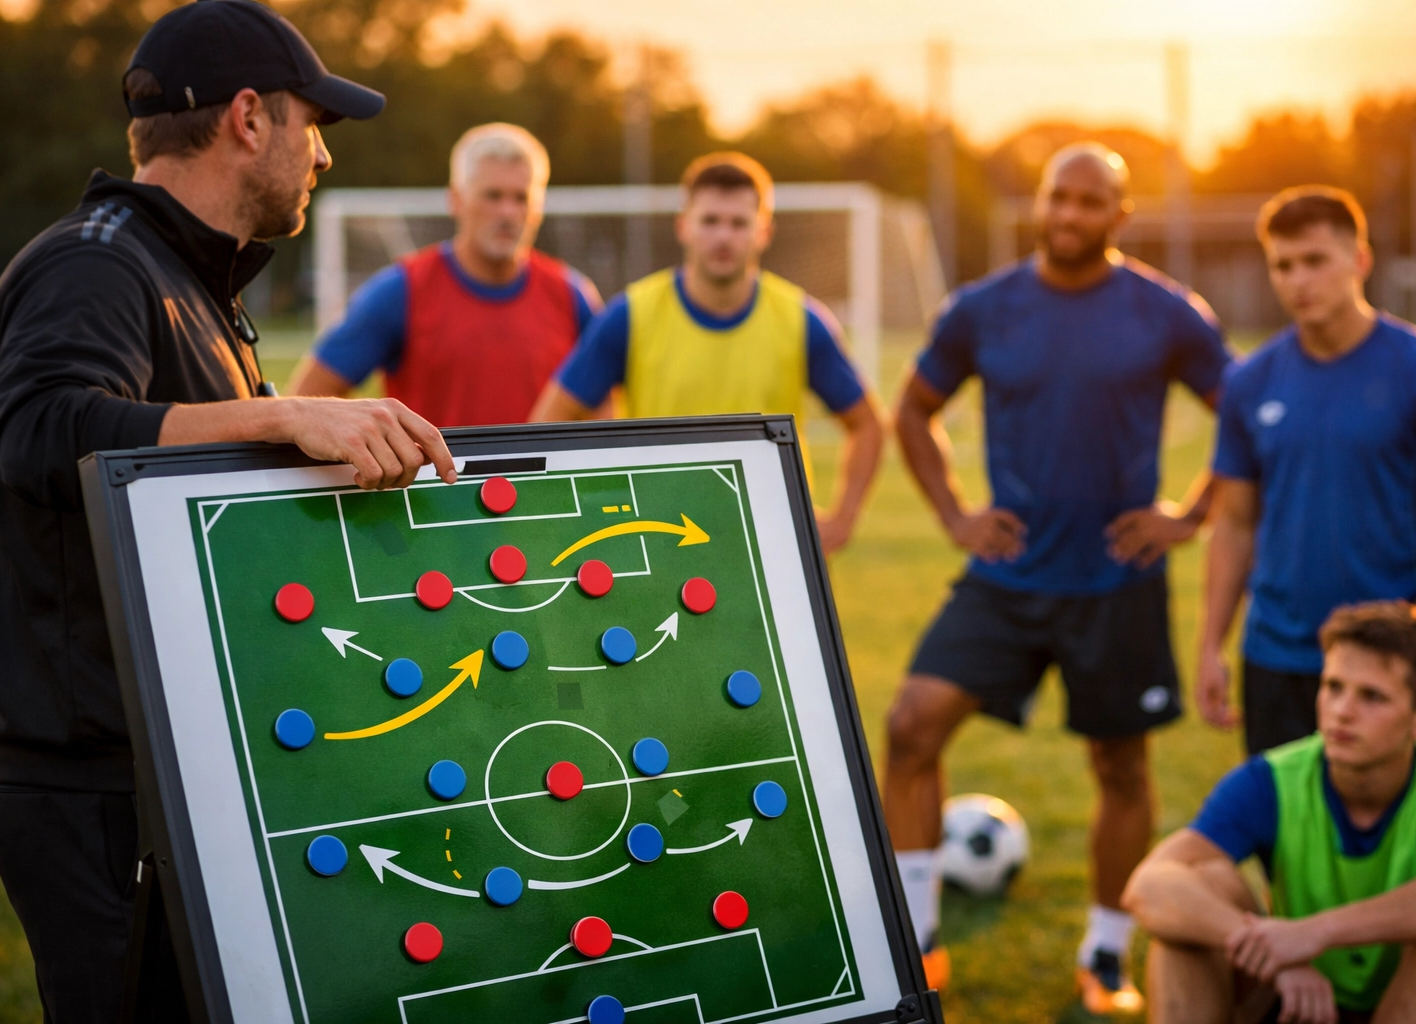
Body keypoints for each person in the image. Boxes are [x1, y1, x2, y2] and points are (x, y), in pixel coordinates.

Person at [0, 3, 458, 1019]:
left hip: (173, 771)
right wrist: (284, 415)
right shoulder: (96, 261)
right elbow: (45, 428)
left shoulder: (187, 278)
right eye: (312, 124)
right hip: (98, 789)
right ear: (248, 117)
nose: (322, 154)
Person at [882, 142, 1232, 1009]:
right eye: (1057, 197)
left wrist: (1189, 515)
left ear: (1119, 215)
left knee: (1121, 767)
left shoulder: (1167, 314)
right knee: (911, 725)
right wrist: (955, 513)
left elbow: (1245, 417)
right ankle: (915, 940)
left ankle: (1105, 955)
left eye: (1089, 201)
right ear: (1039, 203)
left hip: (1116, 580)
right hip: (1008, 575)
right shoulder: (983, 309)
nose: (1069, 214)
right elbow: (914, 411)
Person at [1199, 186, 1416, 758]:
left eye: (1315, 261)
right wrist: (1211, 644)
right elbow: (1233, 524)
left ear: (1359, 260)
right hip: (1280, 659)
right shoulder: (1250, 382)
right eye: (1282, 265)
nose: (1298, 281)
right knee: (1289, 820)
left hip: (1397, 664)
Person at [1125, 601, 1416, 1024]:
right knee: (1199, 889)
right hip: (1296, 997)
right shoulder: (1272, 779)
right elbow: (1149, 884)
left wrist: (1315, 933)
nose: (1342, 711)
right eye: (1333, 687)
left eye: (1371, 696)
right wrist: (1268, 948)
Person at [528, 152, 883, 555]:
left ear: (764, 232)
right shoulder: (632, 315)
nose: (723, 237)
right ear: (683, 226)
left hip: (774, 546)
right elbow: (550, 418)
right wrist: (596, 506)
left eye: (739, 223)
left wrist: (843, 518)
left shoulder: (801, 320)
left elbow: (867, 424)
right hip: (661, 545)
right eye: (710, 221)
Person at [289, 123, 603, 425]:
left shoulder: (572, 295)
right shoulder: (402, 291)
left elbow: (603, 416)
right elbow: (309, 399)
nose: (508, 212)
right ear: (456, 200)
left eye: (521, 198)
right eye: (493, 196)